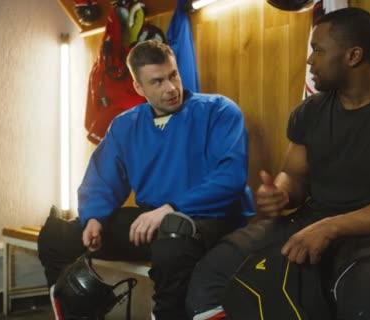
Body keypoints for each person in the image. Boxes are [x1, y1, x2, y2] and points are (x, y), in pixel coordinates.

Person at [186, 7, 370, 320]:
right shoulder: (309, 112)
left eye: (318, 50)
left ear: (353, 55)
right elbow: (294, 176)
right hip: (311, 222)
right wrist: (282, 193)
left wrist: (332, 227)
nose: (310, 61)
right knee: (213, 273)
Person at [37, 40, 254, 320]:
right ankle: (77, 310)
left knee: (173, 236)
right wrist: (93, 218)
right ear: (139, 87)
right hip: (155, 220)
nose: (171, 88)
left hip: (212, 219)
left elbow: (231, 178)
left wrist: (171, 208)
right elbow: (102, 179)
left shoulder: (219, 111)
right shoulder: (125, 125)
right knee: (57, 235)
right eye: (158, 81)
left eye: (173, 75)